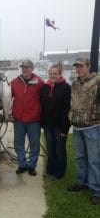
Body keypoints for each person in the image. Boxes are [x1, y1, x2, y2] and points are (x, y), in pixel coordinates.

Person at [67, 57, 100, 205]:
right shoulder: (74, 84)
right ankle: (82, 182)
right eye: (76, 67)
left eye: (81, 66)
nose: (78, 69)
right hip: (78, 127)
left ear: (88, 66)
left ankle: (96, 191)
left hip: (93, 127)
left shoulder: (97, 81)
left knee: (94, 160)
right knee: (80, 158)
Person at [11, 60, 44, 176]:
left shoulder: (40, 82)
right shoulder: (14, 82)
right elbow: (6, 97)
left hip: (34, 120)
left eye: (27, 67)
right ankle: (22, 164)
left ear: (32, 68)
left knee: (34, 144)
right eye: (23, 67)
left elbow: (45, 98)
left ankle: (32, 165)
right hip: (18, 119)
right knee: (18, 143)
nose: (25, 69)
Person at [40, 64, 71, 180]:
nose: (53, 75)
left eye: (55, 73)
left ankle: (59, 172)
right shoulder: (45, 88)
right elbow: (42, 106)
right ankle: (50, 170)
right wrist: (42, 122)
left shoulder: (66, 88)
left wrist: (65, 128)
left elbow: (67, 109)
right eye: (51, 73)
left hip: (60, 126)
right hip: (48, 125)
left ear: (60, 74)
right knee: (50, 148)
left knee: (60, 149)